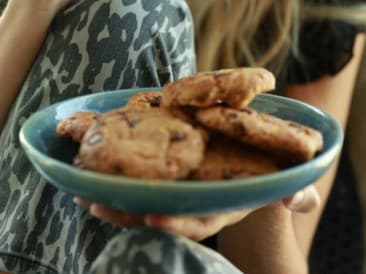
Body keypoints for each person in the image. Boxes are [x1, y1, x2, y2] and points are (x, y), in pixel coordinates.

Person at [0, 1, 363, 274]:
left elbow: (278, 265)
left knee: (155, 254)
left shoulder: (318, 13)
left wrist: (262, 183)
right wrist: (31, 10)